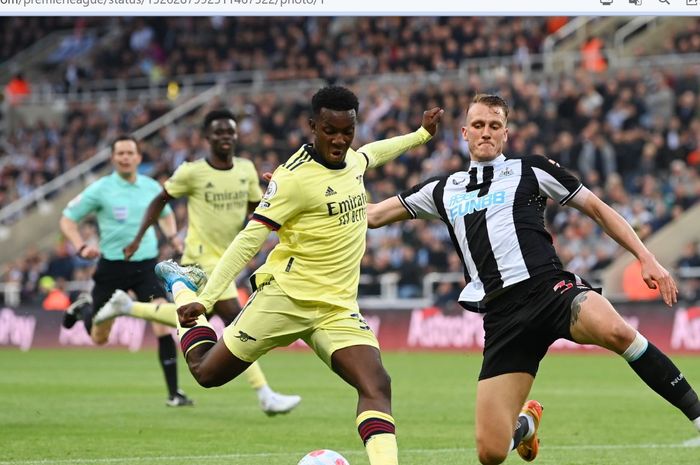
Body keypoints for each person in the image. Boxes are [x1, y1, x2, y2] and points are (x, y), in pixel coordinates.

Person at [366, 94, 700, 464]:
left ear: (506, 134)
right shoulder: (441, 189)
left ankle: (698, 416)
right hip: (502, 318)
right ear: (464, 133)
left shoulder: (531, 169)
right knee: (491, 453)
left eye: (494, 126)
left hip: (551, 292)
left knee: (619, 332)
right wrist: (336, 183)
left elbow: (596, 208)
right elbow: (375, 215)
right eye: (478, 125)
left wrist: (645, 256)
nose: (486, 133)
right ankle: (524, 426)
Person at [155, 86, 443, 465]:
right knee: (206, 373)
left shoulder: (353, 162)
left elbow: (374, 153)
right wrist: (204, 298)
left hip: (336, 309)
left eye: (347, 130)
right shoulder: (291, 179)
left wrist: (421, 135)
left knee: (376, 385)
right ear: (312, 126)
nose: (339, 140)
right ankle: (179, 284)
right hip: (285, 298)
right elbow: (248, 239)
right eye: (330, 130)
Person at [94, 109, 301, 416]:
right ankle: (265, 395)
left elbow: (257, 207)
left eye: (230, 132)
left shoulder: (245, 169)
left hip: (228, 258)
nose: (225, 137)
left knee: (196, 318)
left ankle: (128, 307)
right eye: (218, 132)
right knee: (237, 322)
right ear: (207, 137)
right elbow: (159, 200)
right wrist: (138, 238)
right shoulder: (192, 172)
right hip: (199, 261)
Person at [59, 135, 193, 407]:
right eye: (120, 153)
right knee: (99, 338)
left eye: (130, 153)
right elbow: (67, 219)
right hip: (112, 268)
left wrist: (171, 237)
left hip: (146, 266)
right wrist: (81, 247)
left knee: (162, 324)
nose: (125, 157)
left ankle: (174, 393)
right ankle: (85, 307)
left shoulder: (151, 186)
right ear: (113, 158)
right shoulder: (100, 189)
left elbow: (165, 214)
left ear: (138, 158)